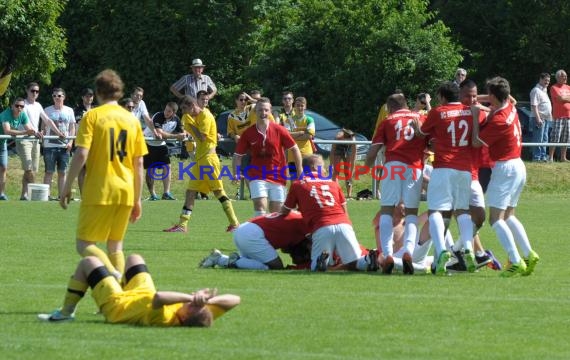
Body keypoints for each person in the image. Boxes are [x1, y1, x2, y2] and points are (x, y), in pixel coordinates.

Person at [59, 69, 148, 280]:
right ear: (119, 92)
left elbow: (81, 153)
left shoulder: (92, 116)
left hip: (100, 189)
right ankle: (119, 297)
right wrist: (137, 199)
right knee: (115, 246)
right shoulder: (132, 120)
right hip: (125, 191)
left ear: (98, 92)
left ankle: (113, 274)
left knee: (84, 245)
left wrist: (66, 186)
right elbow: (139, 163)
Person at [38, 254, 240, 326]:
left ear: (185, 317)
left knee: (88, 262)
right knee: (135, 258)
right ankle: (116, 280)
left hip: (119, 305)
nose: (191, 303)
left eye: (191, 305)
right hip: (142, 293)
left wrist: (191, 296)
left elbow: (160, 297)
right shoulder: (202, 312)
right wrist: (207, 301)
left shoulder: (165, 320)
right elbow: (236, 300)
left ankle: (65, 313)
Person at [472, 77, 540, 277]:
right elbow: (505, 97)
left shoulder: (499, 120)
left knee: (495, 219)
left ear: (493, 96)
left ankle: (515, 260)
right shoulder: (510, 106)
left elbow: (477, 142)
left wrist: (476, 115)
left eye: (488, 95)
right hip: (518, 165)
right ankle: (529, 254)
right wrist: (478, 99)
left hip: (505, 168)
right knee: (510, 215)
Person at [414, 81, 476, 275]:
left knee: (435, 212)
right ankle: (469, 250)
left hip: (444, 167)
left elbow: (421, 133)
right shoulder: (469, 111)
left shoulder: (438, 112)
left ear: (441, 96)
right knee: (463, 211)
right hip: (465, 168)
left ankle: (441, 251)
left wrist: (416, 124)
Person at [281, 154, 379, 272]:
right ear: (313, 167)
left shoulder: (298, 184)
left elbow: (285, 210)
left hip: (321, 227)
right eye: (322, 167)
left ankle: (322, 263)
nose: (325, 170)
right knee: (355, 262)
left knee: (315, 268)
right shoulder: (333, 183)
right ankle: (368, 259)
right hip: (343, 224)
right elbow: (344, 210)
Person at [365, 93, 427, 274]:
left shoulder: (387, 121)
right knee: (412, 213)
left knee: (387, 210)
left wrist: (366, 168)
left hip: (393, 165)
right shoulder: (420, 117)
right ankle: (408, 250)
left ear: (389, 107)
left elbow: (373, 151)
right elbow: (431, 143)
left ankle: (388, 253)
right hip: (414, 166)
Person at [163, 94, 239, 233]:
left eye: (185, 109)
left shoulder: (206, 115)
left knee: (218, 192)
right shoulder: (192, 116)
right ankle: (182, 225)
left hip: (209, 160)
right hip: (200, 160)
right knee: (190, 191)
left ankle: (234, 223)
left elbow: (202, 137)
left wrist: (190, 124)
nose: (184, 113)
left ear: (192, 106)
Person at [233, 97, 302, 216]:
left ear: (270, 111)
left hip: (278, 175)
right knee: (260, 206)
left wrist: (300, 170)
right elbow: (237, 156)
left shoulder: (280, 130)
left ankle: (273, 233)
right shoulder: (248, 133)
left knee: (277, 211)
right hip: (257, 175)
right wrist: (236, 173)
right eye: (260, 110)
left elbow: (295, 149)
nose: (263, 113)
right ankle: (259, 233)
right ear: (255, 112)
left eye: (265, 110)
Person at [199, 210, 310, 270]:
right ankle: (234, 261)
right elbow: (312, 243)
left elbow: (286, 246)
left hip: (245, 229)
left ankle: (220, 259)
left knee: (258, 263)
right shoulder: (303, 221)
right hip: (252, 234)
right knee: (275, 267)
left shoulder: (297, 217)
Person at [20, 82, 64, 200]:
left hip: (35, 140)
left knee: (31, 169)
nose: (35, 93)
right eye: (32, 91)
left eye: (37, 91)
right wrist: (35, 132)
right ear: (27, 91)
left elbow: (48, 120)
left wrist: (59, 133)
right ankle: (34, 194)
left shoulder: (38, 105)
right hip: (24, 139)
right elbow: (25, 123)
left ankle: (24, 195)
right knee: (29, 168)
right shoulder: (22, 105)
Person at [143, 102, 185, 201]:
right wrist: (176, 136)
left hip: (161, 145)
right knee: (151, 169)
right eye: (166, 109)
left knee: (167, 166)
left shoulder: (176, 119)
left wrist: (184, 135)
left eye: (169, 111)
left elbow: (182, 131)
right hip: (149, 143)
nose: (166, 112)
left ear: (174, 113)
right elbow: (160, 133)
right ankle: (153, 194)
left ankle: (166, 193)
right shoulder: (158, 115)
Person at [0, 98, 40, 200]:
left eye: (22, 106)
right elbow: (7, 131)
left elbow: (29, 129)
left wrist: (36, 133)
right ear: (12, 106)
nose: (19, 108)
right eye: (17, 106)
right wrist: (25, 133)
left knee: (3, 168)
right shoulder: (5, 114)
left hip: (2, 143)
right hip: (3, 140)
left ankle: (1, 194)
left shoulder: (22, 115)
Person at [43, 88, 76, 200]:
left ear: (64, 97)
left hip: (64, 146)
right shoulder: (47, 110)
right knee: (49, 172)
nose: (57, 98)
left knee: (63, 172)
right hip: (49, 146)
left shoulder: (69, 110)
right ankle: (46, 196)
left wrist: (71, 142)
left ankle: (62, 196)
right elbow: (43, 127)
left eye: (59, 96)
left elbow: (72, 127)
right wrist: (42, 139)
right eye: (54, 96)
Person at [283, 97, 315, 179]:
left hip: (306, 154)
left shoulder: (309, 119)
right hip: (292, 155)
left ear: (305, 107)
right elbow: (286, 136)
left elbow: (309, 136)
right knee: (294, 181)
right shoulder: (288, 120)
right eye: (298, 105)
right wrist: (300, 133)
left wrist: (293, 136)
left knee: (307, 180)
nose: (300, 108)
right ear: (294, 107)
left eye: (302, 105)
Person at [73, 88, 96, 193]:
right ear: (82, 97)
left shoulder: (96, 110)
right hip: (82, 143)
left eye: (91, 95)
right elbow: (77, 124)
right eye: (87, 96)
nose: (89, 98)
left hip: (95, 144)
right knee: (82, 170)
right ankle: (83, 195)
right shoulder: (76, 110)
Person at [530, 73, 553, 162]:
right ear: (540, 79)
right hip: (539, 118)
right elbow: (534, 106)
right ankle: (536, 157)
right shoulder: (536, 90)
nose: (547, 82)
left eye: (548, 81)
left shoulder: (544, 90)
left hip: (546, 118)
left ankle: (543, 157)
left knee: (545, 139)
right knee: (538, 138)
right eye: (546, 80)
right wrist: (538, 118)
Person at [548, 70, 570, 162]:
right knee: (555, 137)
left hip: (568, 116)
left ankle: (563, 157)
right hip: (558, 116)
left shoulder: (568, 87)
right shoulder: (554, 87)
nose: (565, 78)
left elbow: (563, 99)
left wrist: (565, 99)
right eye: (563, 76)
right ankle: (550, 157)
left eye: (565, 76)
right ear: (557, 77)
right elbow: (560, 99)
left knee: (566, 137)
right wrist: (565, 99)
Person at [330, 128, 357, 198]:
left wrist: (352, 172)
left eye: (351, 138)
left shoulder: (353, 140)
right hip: (338, 148)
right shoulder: (337, 138)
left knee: (347, 172)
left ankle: (349, 195)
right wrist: (331, 165)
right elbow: (332, 151)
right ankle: (335, 193)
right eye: (348, 138)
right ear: (344, 137)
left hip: (348, 149)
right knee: (336, 171)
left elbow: (354, 157)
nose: (350, 139)